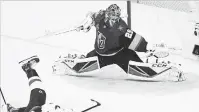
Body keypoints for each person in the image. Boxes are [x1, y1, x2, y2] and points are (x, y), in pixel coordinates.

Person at [52, 4, 185, 81]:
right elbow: (90, 15)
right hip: (100, 54)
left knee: (143, 72)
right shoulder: (100, 16)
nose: (114, 19)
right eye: (112, 16)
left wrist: (148, 47)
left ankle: (168, 71)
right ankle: (66, 63)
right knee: (80, 68)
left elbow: (134, 40)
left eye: (116, 17)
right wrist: (86, 23)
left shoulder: (121, 28)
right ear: (107, 14)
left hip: (120, 54)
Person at [2, 55, 78, 112]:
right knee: (37, 108)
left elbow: (48, 107)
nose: (61, 110)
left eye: (61, 111)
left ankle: (27, 68)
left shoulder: (53, 111)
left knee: (39, 93)